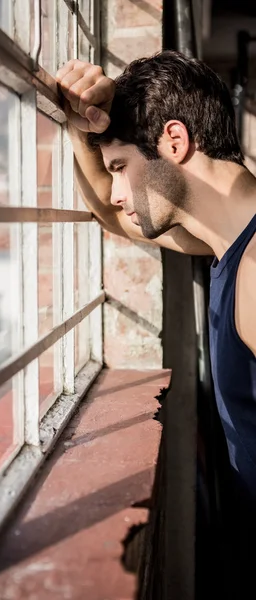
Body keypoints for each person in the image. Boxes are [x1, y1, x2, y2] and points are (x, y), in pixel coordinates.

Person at [56, 51, 256, 595]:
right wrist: (84, 130)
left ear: (174, 140)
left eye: (121, 167)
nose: (117, 190)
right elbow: (110, 208)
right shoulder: (220, 239)